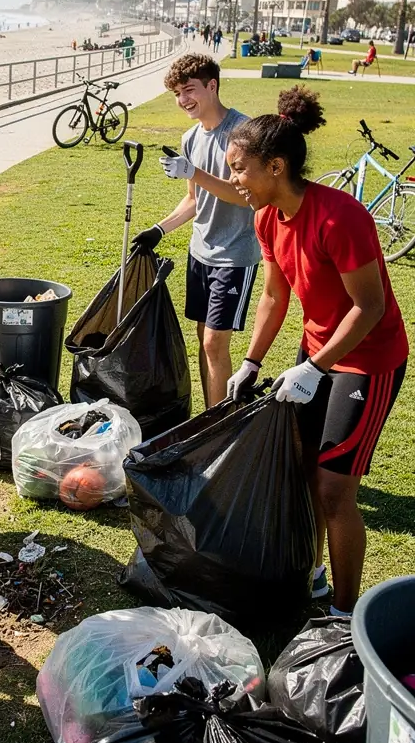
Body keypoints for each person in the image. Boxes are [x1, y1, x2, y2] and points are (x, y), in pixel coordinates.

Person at [226, 86, 408, 616]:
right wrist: (252, 361)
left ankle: (344, 614)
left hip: (367, 360)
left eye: (240, 169)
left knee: (333, 490)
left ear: (276, 166)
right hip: (318, 356)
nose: (235, 182)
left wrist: (314, 366)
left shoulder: (340, 217)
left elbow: (368, 308)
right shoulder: (265, 218)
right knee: (304, 470)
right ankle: (314, 575)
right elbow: (274, 295)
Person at [133, 54, 260, 407]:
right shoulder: (191, 137)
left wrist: (193, 172)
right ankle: (211, 416)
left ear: (212, 85)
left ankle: (218, 425)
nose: (183, 100)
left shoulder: (243, 133)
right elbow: (195, 199)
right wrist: (159, 230)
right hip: (200, 252)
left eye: (189, 90)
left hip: (234, 255)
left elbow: (245, 196)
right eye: (177, 93)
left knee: (213, 344)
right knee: (203, 337)